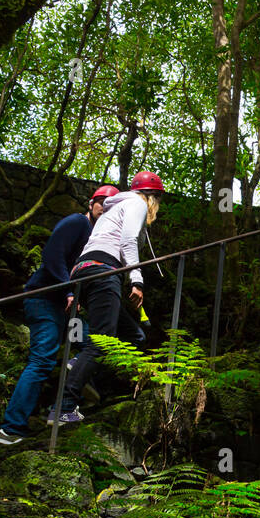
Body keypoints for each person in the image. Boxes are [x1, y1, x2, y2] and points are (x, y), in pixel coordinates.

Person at [0, 185, 118, 444]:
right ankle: (10, 429)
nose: (105, 209)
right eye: (101, 203)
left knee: (96, 343)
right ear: (91, 203)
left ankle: (72, 390)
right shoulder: (77, 223)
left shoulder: (98, 237)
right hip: (45, 299)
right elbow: (52, 256)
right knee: (42, 360)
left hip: (68, 308)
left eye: (111, 206)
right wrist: (69, 291)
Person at [51, 170, 164, 425]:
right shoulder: (136, 203)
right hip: (103, 270)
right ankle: (63, 406)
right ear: (152, 197)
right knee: (101, 342)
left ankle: (81, 365)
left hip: (84, 270)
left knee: (134, 336)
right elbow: (127, 242)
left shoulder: (113, 209)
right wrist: (137, 279)